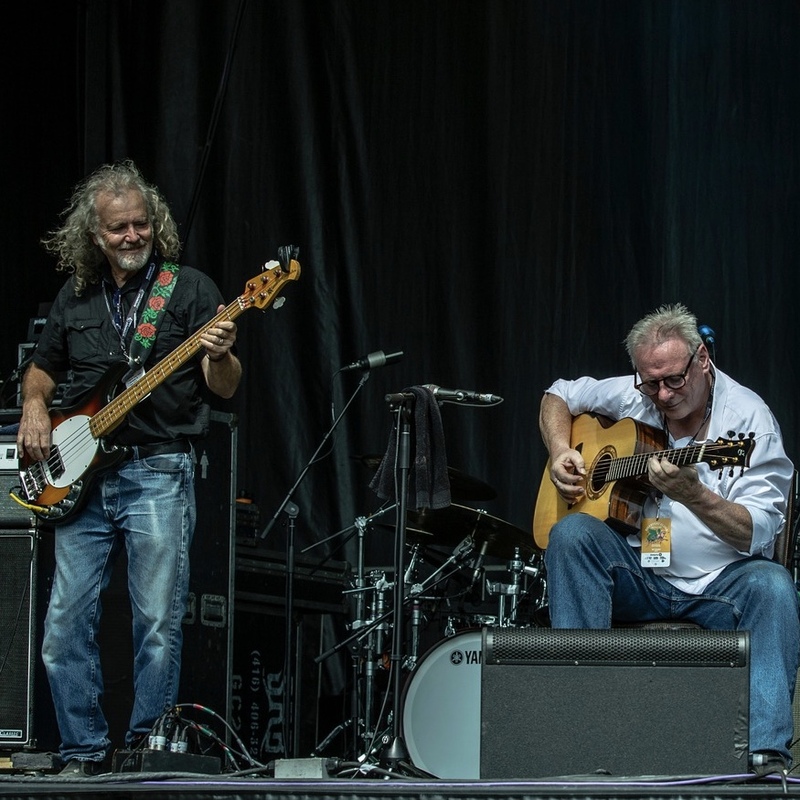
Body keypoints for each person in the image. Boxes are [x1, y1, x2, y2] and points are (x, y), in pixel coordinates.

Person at [17, 159, 242, 776]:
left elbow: (225, 388)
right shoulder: (77, 296)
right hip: (81, 478)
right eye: (119, 228)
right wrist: (35, 403)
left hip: (157, 470)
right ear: (96, 235)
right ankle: (83, 749)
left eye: (142, 224)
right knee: (63, 626)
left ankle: (145, 750)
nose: (133, 236)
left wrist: (220, 355)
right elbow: (44, 364)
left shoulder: (189, 288)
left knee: (158, 625)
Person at [538, 302, 798, 776]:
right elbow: (558, 395)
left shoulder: (748, 421)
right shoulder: (640, 395)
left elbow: (756, 530)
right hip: (640, 574)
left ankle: (765, 758)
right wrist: (560, 451)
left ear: (702, 359)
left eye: (674, 380)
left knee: (773, 585)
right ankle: (580, 735)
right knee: (572, 533)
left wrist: (695, 496)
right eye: (650, 382)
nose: (662, 393)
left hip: (720, 584)